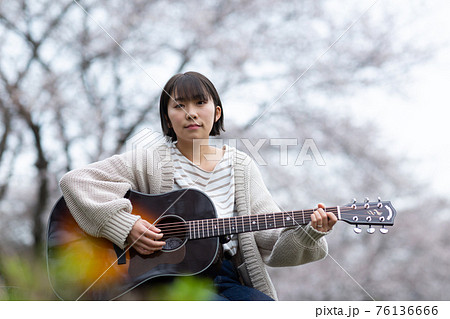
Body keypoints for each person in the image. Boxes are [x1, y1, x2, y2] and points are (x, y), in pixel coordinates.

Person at [59, 71, 337, 300]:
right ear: (167, 118)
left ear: (216, 113)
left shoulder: (240, 166)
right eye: (179, 105)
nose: (190, 113)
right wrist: (126, 226)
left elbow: (270, 240)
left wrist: (310, 232)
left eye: (199, 103)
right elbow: (76, 181)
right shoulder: (150, 160)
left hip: (226, 277)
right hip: (165, 283)